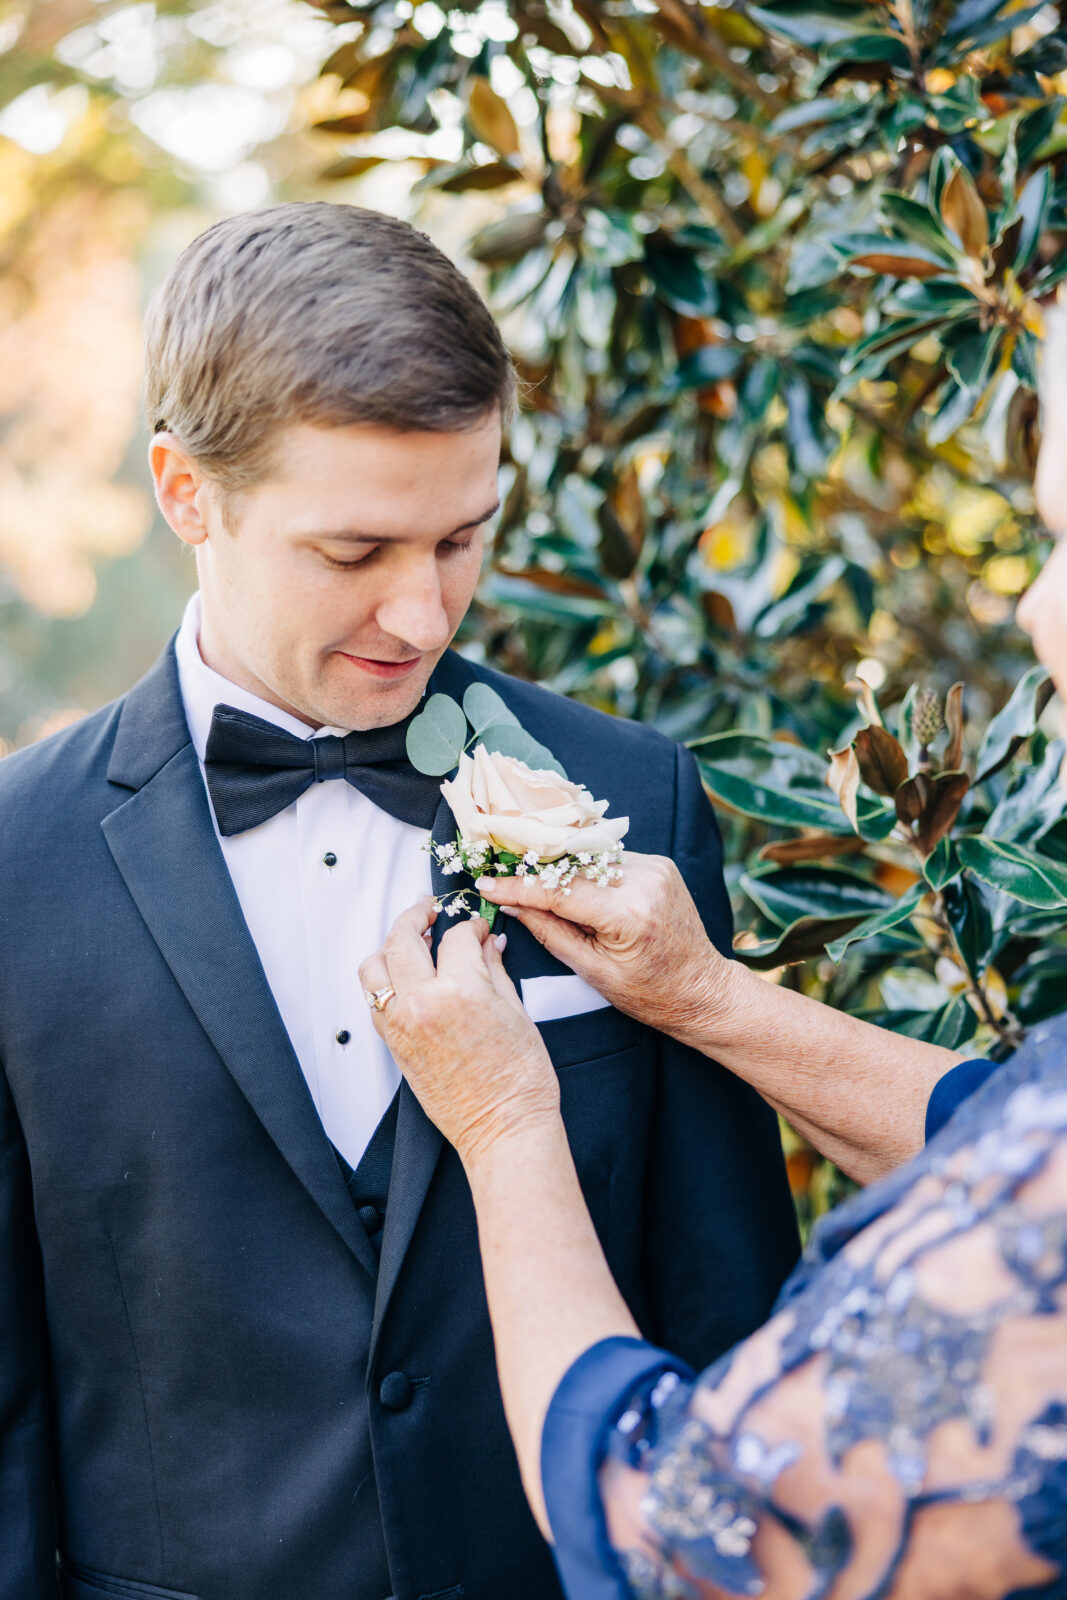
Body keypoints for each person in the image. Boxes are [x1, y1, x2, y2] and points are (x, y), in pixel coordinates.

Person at [0, 203, 801, 1600]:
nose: (425, 618)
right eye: (355, 552)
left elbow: (724, 1310)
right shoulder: (16, 862)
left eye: (461, 539)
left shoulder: (636, 799)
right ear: (187, 493)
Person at [357, 311, 1067, 1598]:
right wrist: (703, 996)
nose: (1034, 602)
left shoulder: (647, 781)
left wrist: (512, 1117)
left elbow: (673, 1524)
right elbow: (1010, 1127)